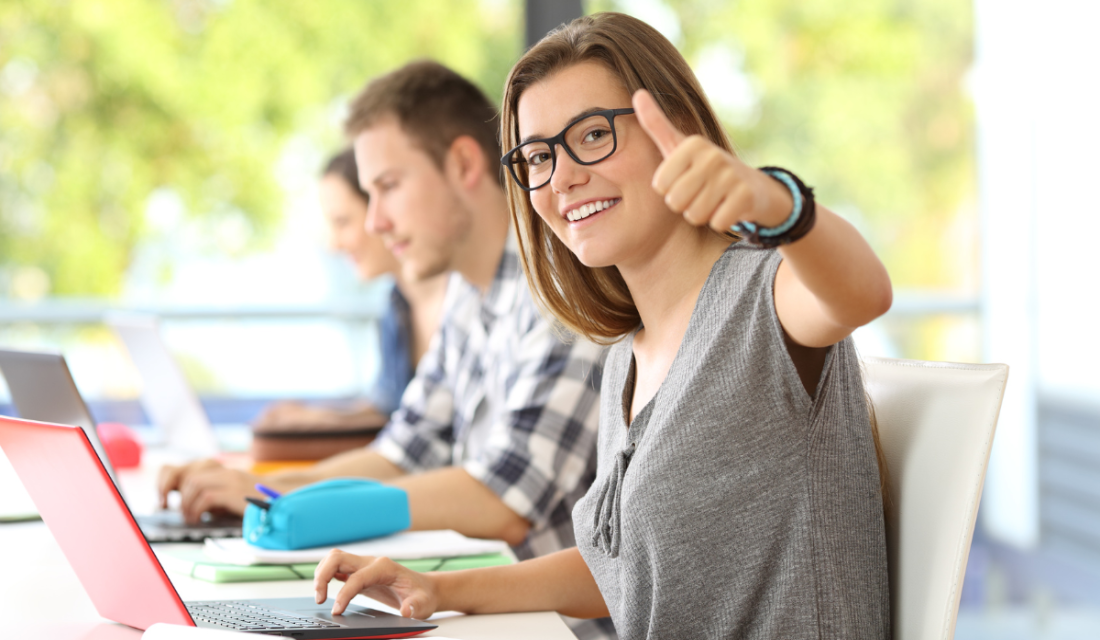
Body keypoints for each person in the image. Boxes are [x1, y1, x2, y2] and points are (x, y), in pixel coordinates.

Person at [311, 12, 893, 640]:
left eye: (591, 135)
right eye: (537, 156)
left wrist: (776, 204)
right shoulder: (625, 353)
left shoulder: (762, 295)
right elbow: (617, 566)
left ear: (682, 130)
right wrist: (438, 589)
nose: (561, 176)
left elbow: (862, 292)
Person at [158, 61, 615, 640]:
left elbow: (503, 497)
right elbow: (404, 449)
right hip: (487, 614)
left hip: (559, 628)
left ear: (464, 165)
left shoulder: (559, 293)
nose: (376, 221)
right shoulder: (470, 297)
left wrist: (300, 504)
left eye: (388, 187)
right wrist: (268, 490)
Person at [254, 148, 448, 430]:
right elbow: (389, 411)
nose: (333, 245)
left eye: (343, 222)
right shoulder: (396, 306)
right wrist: (317, 417)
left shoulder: (465, 300)